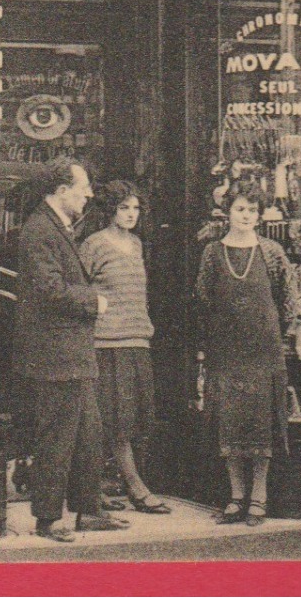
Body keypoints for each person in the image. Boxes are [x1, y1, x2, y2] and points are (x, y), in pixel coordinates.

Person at [11, 159, 129, 542]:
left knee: (87, 434)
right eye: (83, 188)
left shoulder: (54, 228)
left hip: (71, 353)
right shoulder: (39, 231)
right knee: (58, 436)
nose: (89, 195)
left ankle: (87, 511)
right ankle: (47, 518)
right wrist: (94, 300)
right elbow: (49, 290)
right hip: (56, 355)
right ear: (61, 191)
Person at [195, 181, 299, 527]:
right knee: (230, 424)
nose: (245, 216)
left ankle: (259, 497)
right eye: (239, 209)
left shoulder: (272, 252)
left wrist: (284, 336)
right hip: (226, 351)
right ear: (228, 213)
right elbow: (203, 298)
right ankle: (236, 496)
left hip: (263, 352)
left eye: (252, 210)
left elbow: (288, 298)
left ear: (259, 215)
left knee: (260, 426)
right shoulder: (212, 252)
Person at [80, 181, 172, 515]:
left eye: (135, 208)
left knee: (134, 420)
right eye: (124, 208)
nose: (131, 214)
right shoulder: (93, 244)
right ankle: (135, 487)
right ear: (110, 210)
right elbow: (81, 292)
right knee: (115, 419)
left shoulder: (136, 244)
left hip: (137, 341)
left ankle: (102, 485)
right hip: (107, 344)